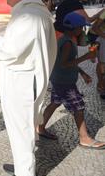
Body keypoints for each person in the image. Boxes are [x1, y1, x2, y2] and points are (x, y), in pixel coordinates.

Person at [0, 0, 57, 176]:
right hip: (26, 78)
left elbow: (11, 50)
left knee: (21, 126)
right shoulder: (34, 11)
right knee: (24, 125)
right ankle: (23, 164)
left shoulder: (29, 15)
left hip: (23, 82)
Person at [36, 12, 105, 149]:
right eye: (81, 28)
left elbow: (66, 62)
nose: (83, 31)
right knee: (78, 107)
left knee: (55, 103)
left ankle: (40, 127)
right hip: (64, 82)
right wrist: (86, 57)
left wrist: (82, 72)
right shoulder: (67, 42)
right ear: (76, 28)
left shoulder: (65, 39)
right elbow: (64, 64)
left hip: (59, 79)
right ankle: (84, 138)